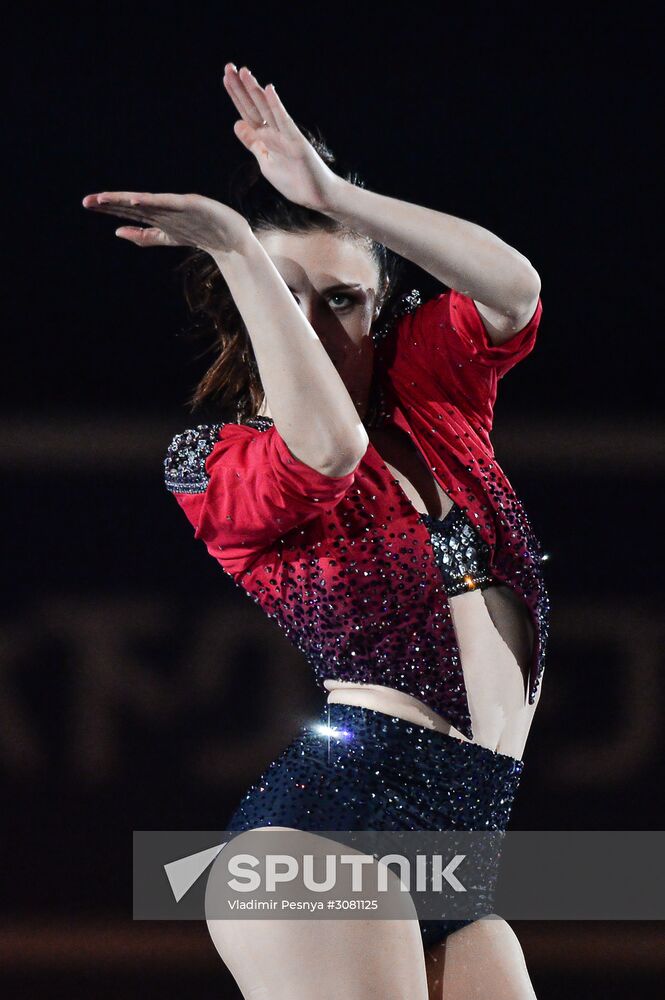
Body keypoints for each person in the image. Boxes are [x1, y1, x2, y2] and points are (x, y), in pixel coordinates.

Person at [83, 63, 549, 1000]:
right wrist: (235, 247)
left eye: (339, 299)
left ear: (379, 307)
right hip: (325, 831)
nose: (309, 321)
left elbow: (514, 289)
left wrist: (337, 198)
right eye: (278, 292)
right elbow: (328, 450)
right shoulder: (216, 460)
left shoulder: (429, 392)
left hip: (456, 857)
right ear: (244, 303)